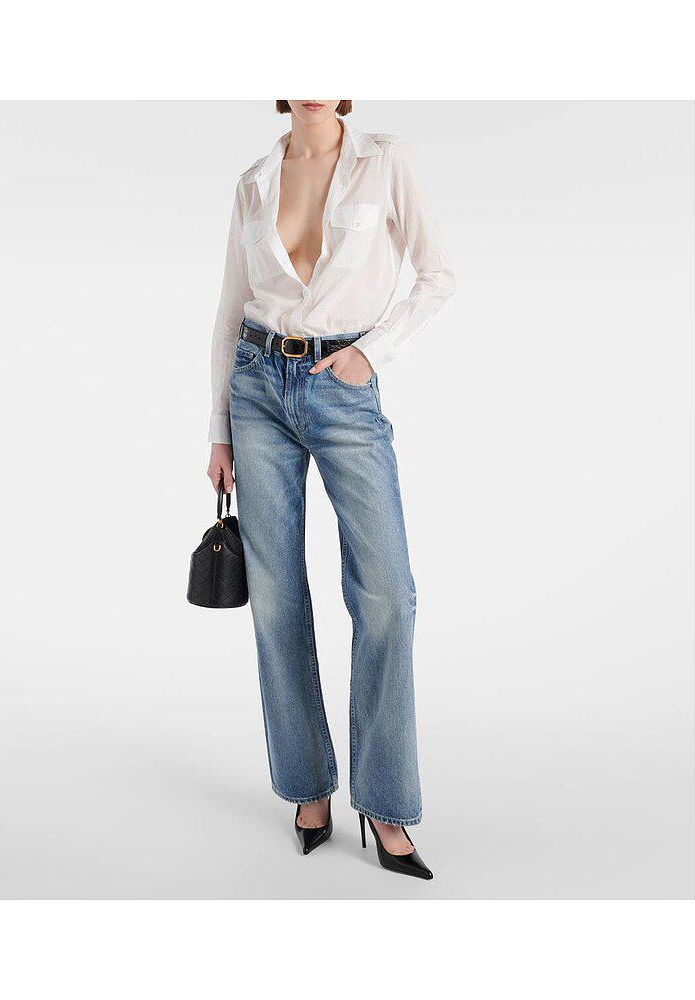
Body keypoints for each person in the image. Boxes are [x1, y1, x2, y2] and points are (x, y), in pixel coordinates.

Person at [206, 100, 454, 879]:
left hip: (343, 386)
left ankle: (383, 800)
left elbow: (436, 275)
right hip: (257, 388)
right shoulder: (253, 180)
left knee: (387, 596)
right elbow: (230, 309)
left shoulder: (385, 159)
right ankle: (307, 786)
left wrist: (373, 353)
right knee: (276, 598)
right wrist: (218, 428)